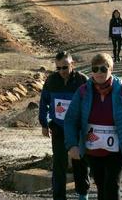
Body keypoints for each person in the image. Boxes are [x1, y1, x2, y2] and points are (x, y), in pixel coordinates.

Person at [64, 53, 122, 200]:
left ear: (111, 69)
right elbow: (70, 119)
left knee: (112, 187)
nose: (99, 73)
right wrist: (72, 145)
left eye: (103, 69)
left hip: (119, 150)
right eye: (95, 69)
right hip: (94, 151)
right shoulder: (83, 91)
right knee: (102, 188)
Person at [39, 51, 90, 200]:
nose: (62, 71)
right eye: (58, 68)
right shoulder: (51, 81)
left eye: (65, 67)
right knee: (59, 163)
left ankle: (82, 194)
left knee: (80, 162)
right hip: (58, 128)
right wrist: (44, 123)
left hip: (78, 129)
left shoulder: (82, 80)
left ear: (72, 64)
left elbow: (89, 104)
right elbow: (44, 103)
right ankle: (59, 197)